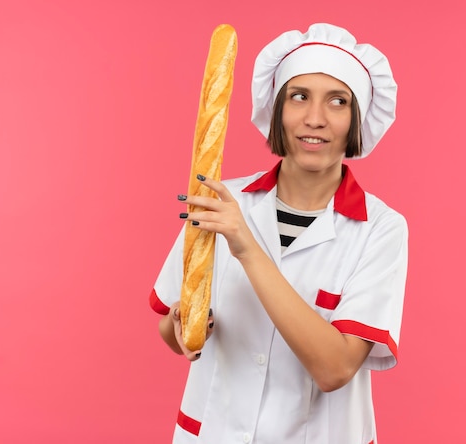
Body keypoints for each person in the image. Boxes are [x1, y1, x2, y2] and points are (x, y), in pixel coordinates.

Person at [149, 23, 408, 444]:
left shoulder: (380, 228)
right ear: (278, 109)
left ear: (356, 118)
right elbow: (171, 326)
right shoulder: (220, 198)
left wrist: (246, 246)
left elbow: (335, 368)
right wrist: (183, 326)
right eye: (299, 96)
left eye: (337, 102)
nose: (314, 119)